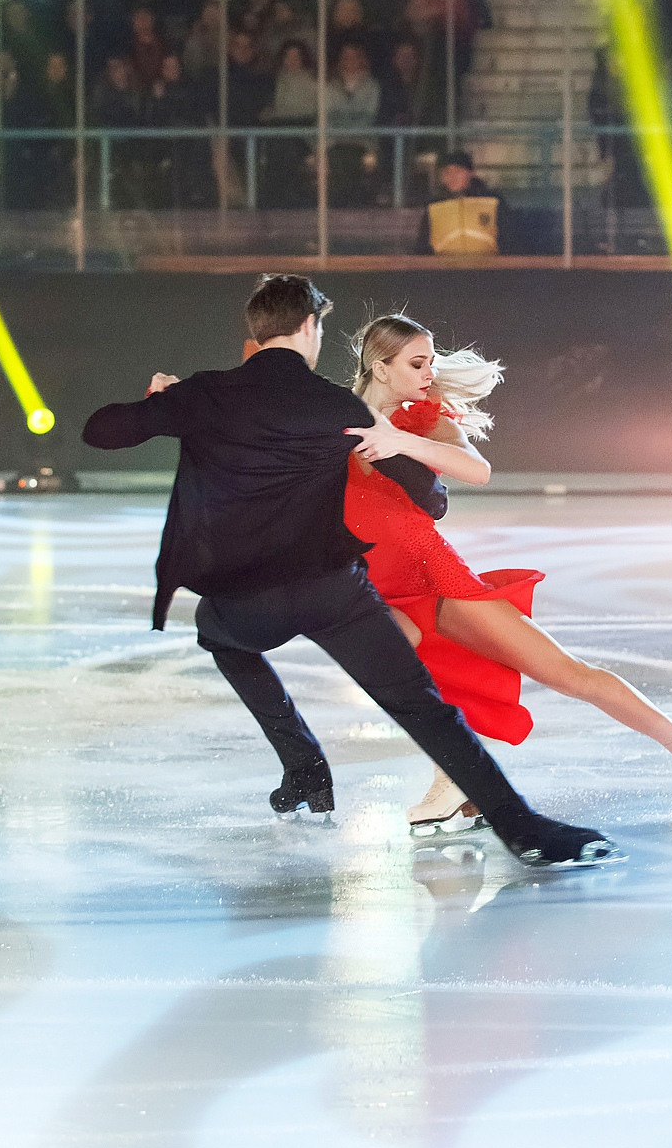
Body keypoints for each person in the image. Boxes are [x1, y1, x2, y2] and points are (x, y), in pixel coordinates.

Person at [83, 275, 619, 867]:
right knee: (421, 708)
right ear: (310, 329)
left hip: (246, 599)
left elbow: (101, 430)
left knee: (218, 634)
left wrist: (163, 402)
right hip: (333, 593)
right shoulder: (336, 407)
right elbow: (430, 499)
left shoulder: (208, 395)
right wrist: (400, 452)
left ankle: (305, 767)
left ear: (253, 334)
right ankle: (523, 830)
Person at [344, 315, 672, 831]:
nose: (429, 372)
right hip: (374, 588)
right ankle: (451, 780)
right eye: (417, 363)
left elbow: (478, 470)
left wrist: (401, 443)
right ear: (378, 367)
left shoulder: (424, 422)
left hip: (437, 581)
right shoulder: (332, 423)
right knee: (403, 674)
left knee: (571, 676)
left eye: (431, 361)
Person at [416, 149, 508, 254]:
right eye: (446, 172)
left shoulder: (492, 201)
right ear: (441, 178)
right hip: (444, 268)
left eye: (458, 171)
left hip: (487, 268)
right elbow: (422, 247)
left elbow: (509, 241)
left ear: (471, 173)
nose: (452, 177)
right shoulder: (434, 207)